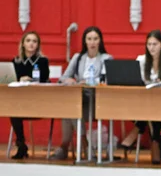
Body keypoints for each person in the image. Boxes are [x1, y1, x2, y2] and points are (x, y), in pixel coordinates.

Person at [119, 29, 161, 164]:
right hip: (146, 101)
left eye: (155, 44)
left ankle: (137, 130)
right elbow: (137, 81)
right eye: (149, 44)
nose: (152, 48)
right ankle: (155, 141)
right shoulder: (141, 60)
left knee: (154, 106)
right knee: (151, 106)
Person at [53, 26, 113, 160]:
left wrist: (88, 81)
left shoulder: (106, 58)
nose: (92, 42)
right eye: (89, 39)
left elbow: (107, 79)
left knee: (71, 106)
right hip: (79, 97)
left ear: (100, 41)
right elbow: (63, 78)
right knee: (70, 104)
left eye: (95, 39)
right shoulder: (78, 57)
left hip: (96, 100)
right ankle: (83, 142)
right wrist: (70, 81)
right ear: (85, 41)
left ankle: (66, 146)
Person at [10, 31, 50, 159]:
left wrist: (31, 80)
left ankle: (21, 145)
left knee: (17, 109)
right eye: (28, 41)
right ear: (23, 44)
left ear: (38, 45)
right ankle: (21, 145)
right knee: (13, 111)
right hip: (20, 100)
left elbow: (44, 79)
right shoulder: (16, 61)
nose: (31, 44)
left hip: (38, 100)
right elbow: (11, 79)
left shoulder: (43, 61)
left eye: (34, 41)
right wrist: (19, 79)